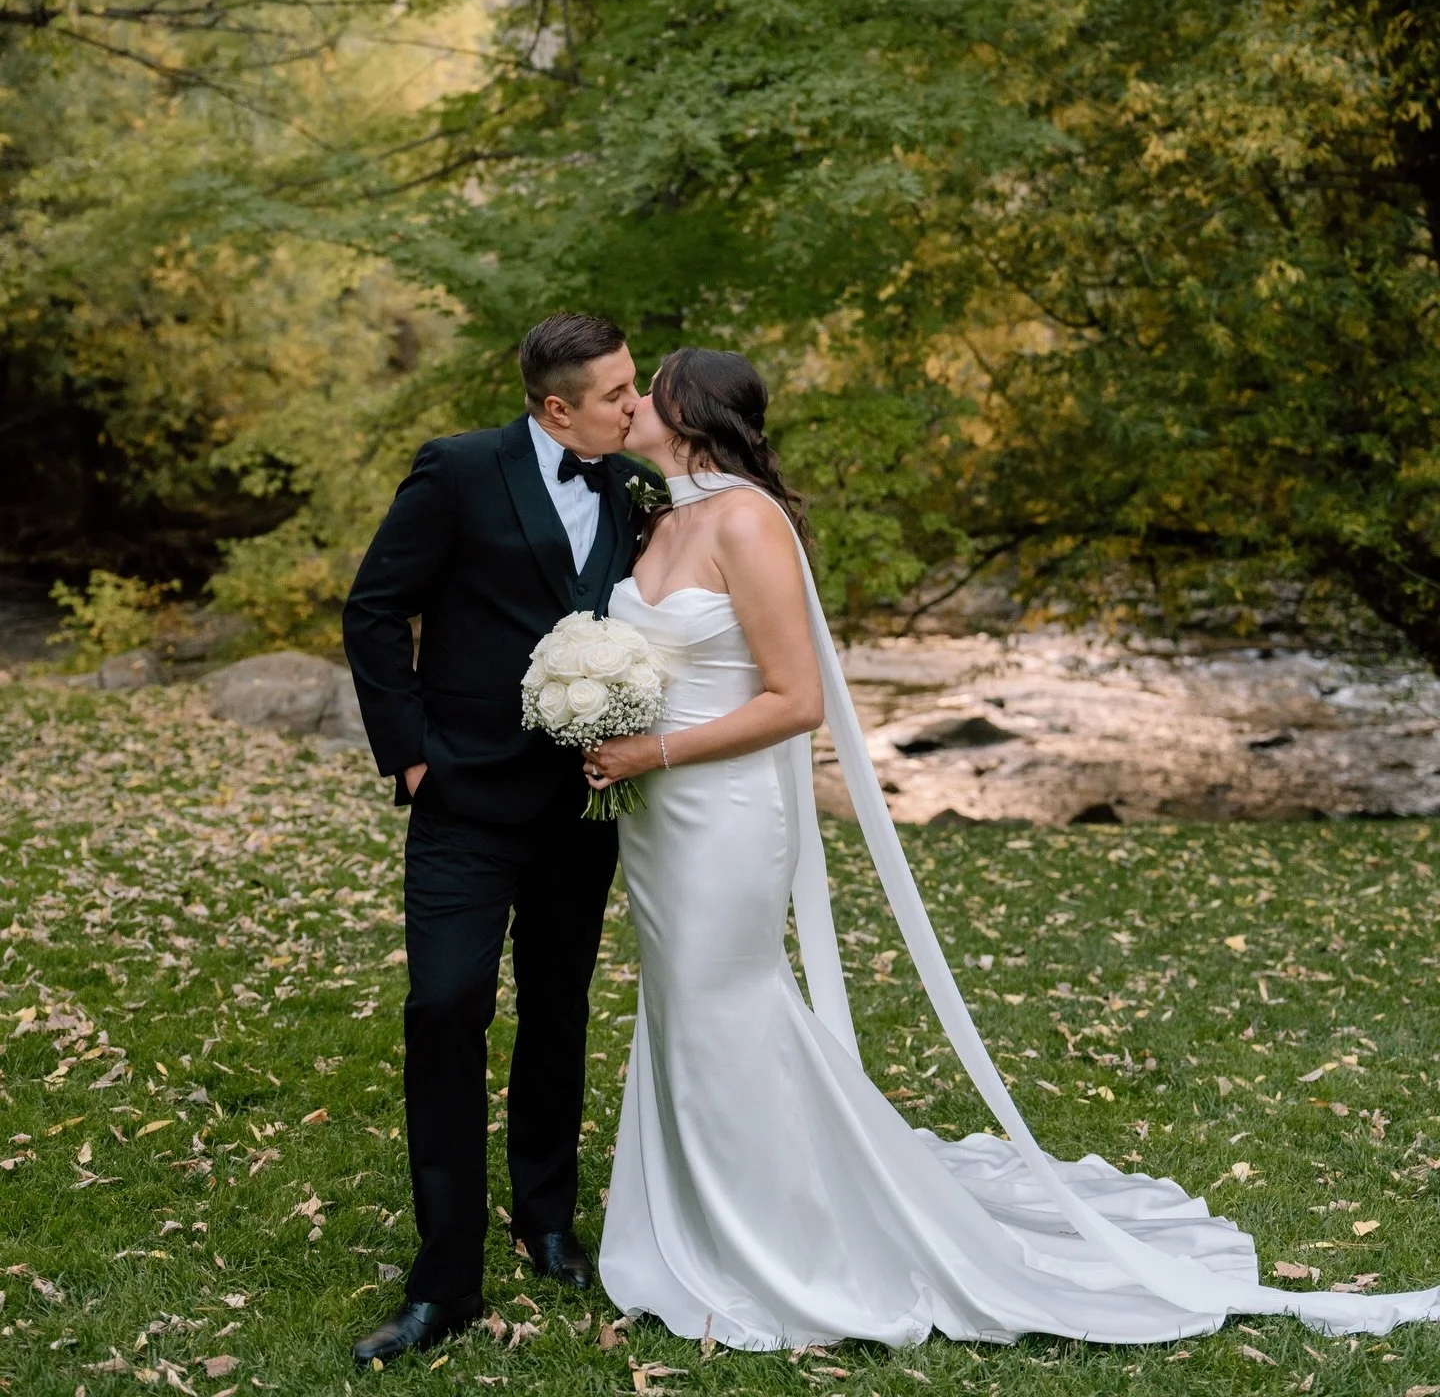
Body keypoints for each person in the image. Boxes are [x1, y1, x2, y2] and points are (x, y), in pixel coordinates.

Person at [582, 345, 1440, 1350]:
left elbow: (797, 700)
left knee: (730, 1007)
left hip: (721, 813)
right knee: (686, 1007)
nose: (631, 403)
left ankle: (779, 1246)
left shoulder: (747, 521)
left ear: (688, 413)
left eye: (648, 390)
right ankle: (699, 1222)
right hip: (658, 820)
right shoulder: (663, 517)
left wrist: (660, 744)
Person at [342, 311, 659, 1367]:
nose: (636, 405)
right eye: (617, 393)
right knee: (444, 1005)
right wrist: (413, 754)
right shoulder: (458, 471)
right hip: (464, 800)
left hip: (582, 803)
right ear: (556, 406)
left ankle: (546, 1218)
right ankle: (443, 1277)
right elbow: (375, 610)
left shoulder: (638, 491)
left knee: (558, 1006)